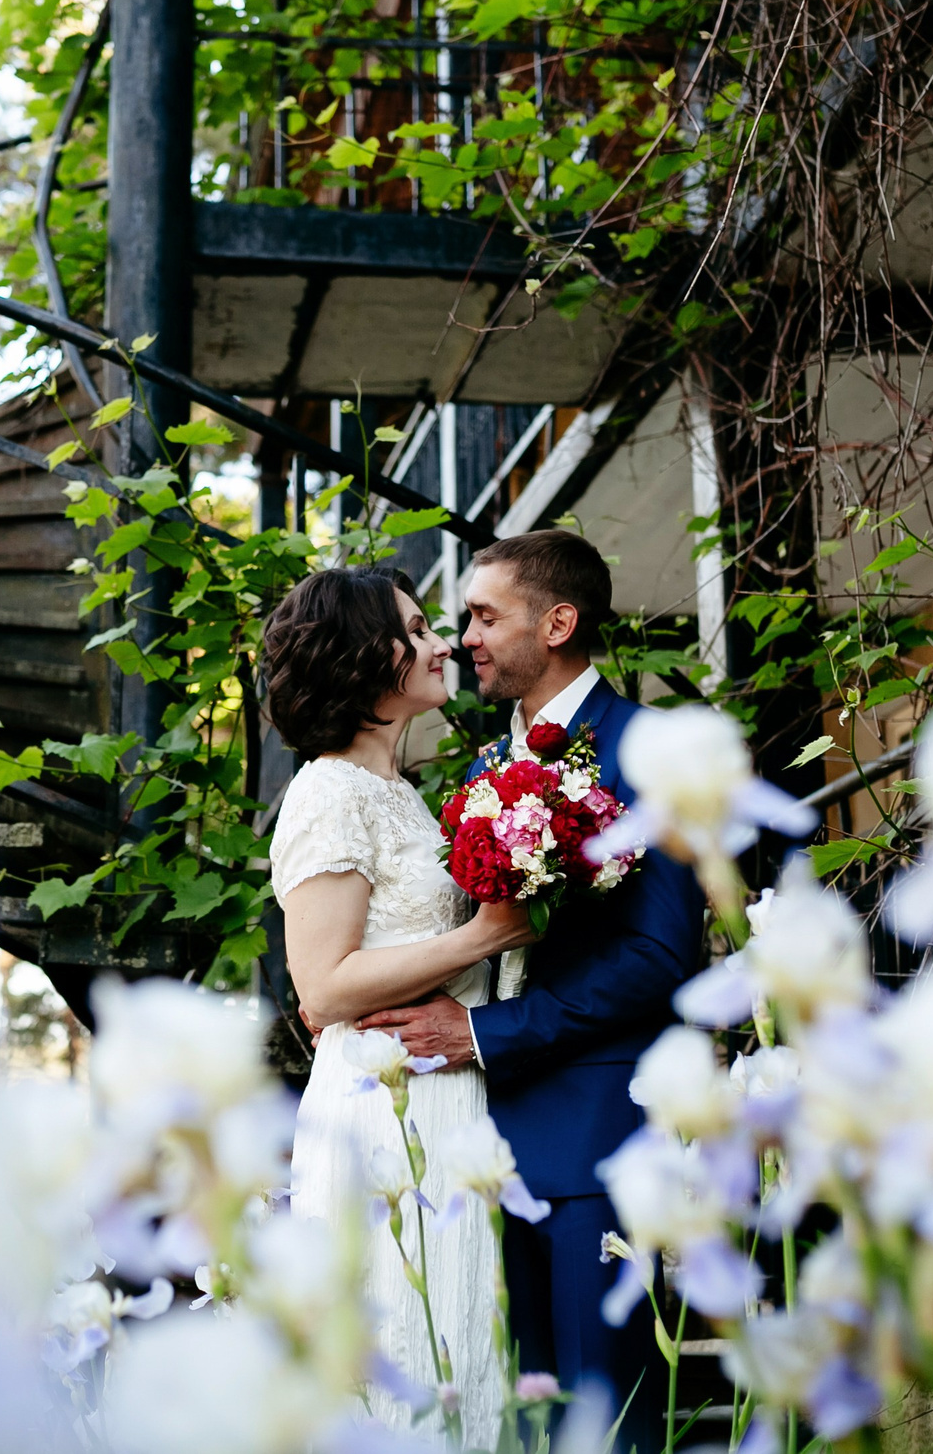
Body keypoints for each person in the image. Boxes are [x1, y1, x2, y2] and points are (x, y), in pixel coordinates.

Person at [356, 530, 704, 1449]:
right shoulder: (478, 774)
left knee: (606, 1425)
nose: (464, 636)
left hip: (596, 1138)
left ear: (558, 622)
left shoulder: (651, 749)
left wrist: (483, 1032)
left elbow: (659, 955)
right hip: (474, 1150)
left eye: (482, 615)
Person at [263, 565, 536, 1444]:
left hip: (451, 1096)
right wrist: (488, 936)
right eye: (417, 629)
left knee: (461, 1351)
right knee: (407, 1354)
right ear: (359, 655)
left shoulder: (405, 797)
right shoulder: (328, 792)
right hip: (381, 1113)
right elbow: (325, 986)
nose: (443, 642)